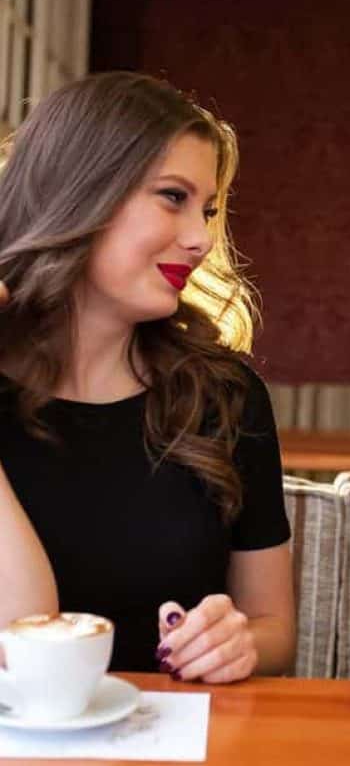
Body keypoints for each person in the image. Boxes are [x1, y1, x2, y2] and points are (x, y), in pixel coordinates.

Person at [0, 71, 295, 683]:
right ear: (78, 193)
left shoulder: (227, 397)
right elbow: (23, 647)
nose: (200, 240)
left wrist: (238, 644)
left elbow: (275, 631)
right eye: (172, 197)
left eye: (208, 210)